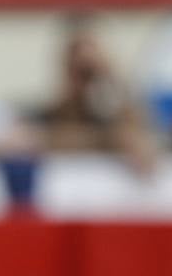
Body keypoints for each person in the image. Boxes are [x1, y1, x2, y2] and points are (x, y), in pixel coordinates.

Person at [30, 18, 155, 171]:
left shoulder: (114, 114)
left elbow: (142, 141)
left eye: (90, 71)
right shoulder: (47, 116)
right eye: (79, 71)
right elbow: (52, 138)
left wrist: (110, 80)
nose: (86, 77)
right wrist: (111, 139)